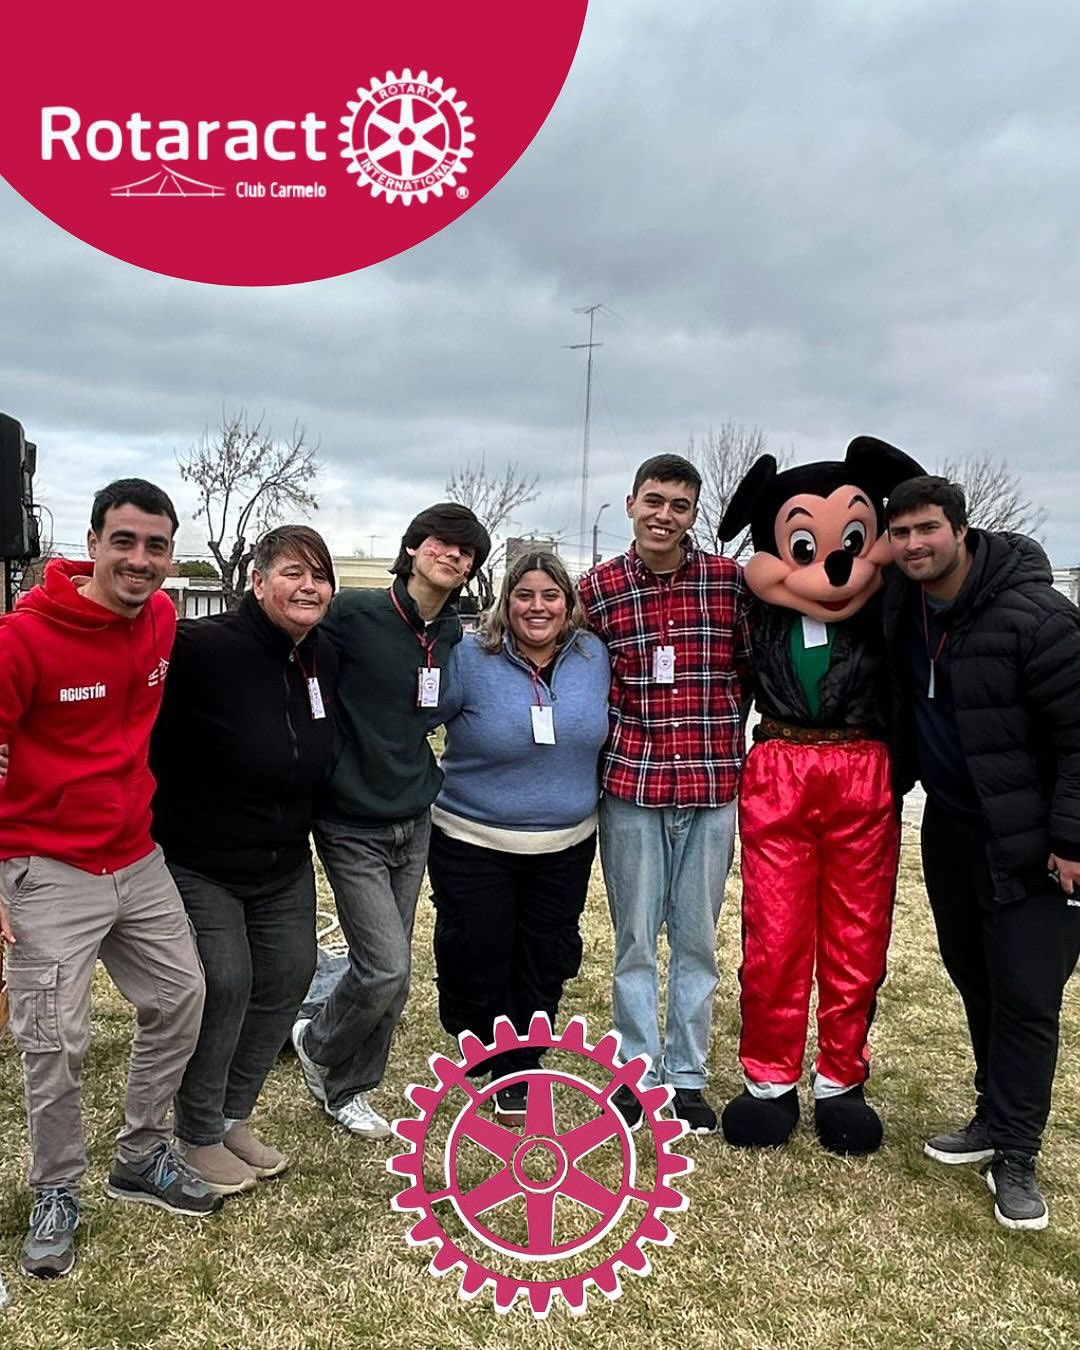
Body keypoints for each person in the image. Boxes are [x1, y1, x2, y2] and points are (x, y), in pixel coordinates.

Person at [0, 479, 221, 1283]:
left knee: (182, 996)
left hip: (135, 855)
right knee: (56, 1040)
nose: (139, 559)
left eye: (156, 546)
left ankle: (140, 1153)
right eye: (123, 541)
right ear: (92, 543)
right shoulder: (21, 641)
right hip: (46, 865)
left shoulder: (160, 618)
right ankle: (56, 1189)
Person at [884, 475, 1080, 1231]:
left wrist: (1071, 839)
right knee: (976, 980)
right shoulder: (907, 607)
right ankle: (991, 1116)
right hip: (953, 828)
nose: (914, 545)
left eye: (927, 529)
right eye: (901, 533)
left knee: (1027, 998)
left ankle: (1018, 1156)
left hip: (1031, 841)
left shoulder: (1039, 617)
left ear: (961, 530)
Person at [291, 503, 491, 1137]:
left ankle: (348, 1088)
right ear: (412, 548)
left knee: (392, 974)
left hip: (414, 813)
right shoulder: (354, 614)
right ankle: (316, 1042)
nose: (453, 556)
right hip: (350, 818)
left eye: (466, 552)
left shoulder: (451, 632)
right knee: (385, 967)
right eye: (442, 543)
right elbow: (294, 662)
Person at [150, 525, 338, 1193]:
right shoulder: (201, 649)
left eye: (320, 576)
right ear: (257, 582)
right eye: (293, 572)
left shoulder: (320, 655)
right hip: (200, 858)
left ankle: (231, 1115)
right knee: (225, 983)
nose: (308, 586)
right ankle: (196, 1132)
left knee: (289, 975)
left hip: (283, 860)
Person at [578, 454, 752, 1133]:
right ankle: (637, 1072)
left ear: (693, 514)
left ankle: (686, 1075)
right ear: (631, 504)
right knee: (634, 941)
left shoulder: (728, 583)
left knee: (697, 941)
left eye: (680, 506)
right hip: (631, 786)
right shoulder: (597, 590)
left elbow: (748, 670)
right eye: (654, 501)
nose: (664, 516)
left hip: (711, 787)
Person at [427, 550, 610, 1122]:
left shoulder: (594, 657)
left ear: (568, 603)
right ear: (505, 603)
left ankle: (520, 1069)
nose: (538, 607)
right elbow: (415, 721)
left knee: (544, 958)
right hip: (472, 838)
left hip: (564, 844)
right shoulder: (469, 657)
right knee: (476, 953)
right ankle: (475, 1033)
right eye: (524, 595)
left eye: (550, 595)